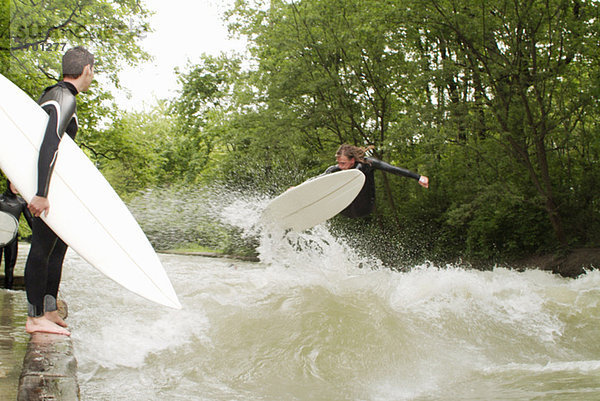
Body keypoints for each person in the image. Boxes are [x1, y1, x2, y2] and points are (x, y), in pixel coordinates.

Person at [24, 46, 94, 336]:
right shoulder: (65, 98)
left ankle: (50, 309)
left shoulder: (51, 94)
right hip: (45, 189)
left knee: (58, 246)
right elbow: (50, 143)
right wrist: (40, 191)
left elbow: (30, 140)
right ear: (87, 70)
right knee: (41, 249)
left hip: (51, 187)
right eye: (93, 72)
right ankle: (34, 316)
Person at [324, 144, 429, 218]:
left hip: (364, 206)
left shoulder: (368, 163)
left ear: (352, 160)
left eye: (343, 163)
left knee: (357, 172)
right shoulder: (338, 168)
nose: (341, 166)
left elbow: (392, 169)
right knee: (330, 171)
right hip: (347, 211)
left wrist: (418, 177)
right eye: (339, 163)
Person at [0, 180, 33, 289]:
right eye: (14, 183)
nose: (16, 187)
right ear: (8, 183)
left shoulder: (22, 202)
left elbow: (31, 221)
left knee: (10, 268)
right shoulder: (0, 199)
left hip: (13, 238)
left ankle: (8, 293)